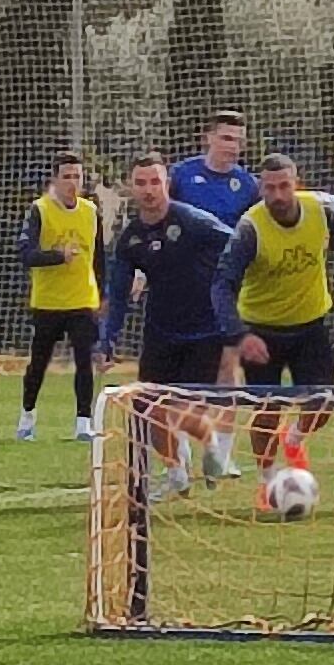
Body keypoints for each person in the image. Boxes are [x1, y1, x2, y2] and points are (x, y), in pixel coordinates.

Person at [104, 157, 244, 500]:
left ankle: (210, 441)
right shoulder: (131, 239)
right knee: (149, 410)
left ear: (167, 183)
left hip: (206, 331)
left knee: (180, 408)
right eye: (141, 183)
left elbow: (238, 243)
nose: (149, 190)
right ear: (131, 188)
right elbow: (119, 293)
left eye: (155, 181)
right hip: (161, 332)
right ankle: (176, 473)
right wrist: (107, 337)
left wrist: (228, 284)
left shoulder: (192, 221)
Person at [222, 152, 334, 473]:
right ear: (260, 189)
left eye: (284, 187)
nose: (277, 195)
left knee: (323, 404)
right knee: (267, 409)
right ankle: (268, 480)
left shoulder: (322, 210)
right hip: (262, 330)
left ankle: (294, 438)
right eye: (269, 188)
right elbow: (222, 285)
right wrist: (240, 335)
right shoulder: (249, 229)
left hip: (309, 325)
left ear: (297, 185)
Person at [164, 112, 265, 476]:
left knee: (227, 366)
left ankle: (222, 454)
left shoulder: (249, 185)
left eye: (239, 140)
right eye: (226, 138)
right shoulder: (181, 176)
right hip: (182, 285)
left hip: (226, 287)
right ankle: (182, 449)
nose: (233, 147)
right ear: (207, 137)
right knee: (181, 371)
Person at [13, 152, 109, 443]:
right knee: (39, 363)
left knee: (84, 361)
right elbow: (25, 254)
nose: (72, 182)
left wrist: (103, 295)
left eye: (77, 176)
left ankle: (83, 422)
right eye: (66, 176)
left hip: (82, 300)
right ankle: (27, 416)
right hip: (48, 302)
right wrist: (58, 256)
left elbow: (100, 258)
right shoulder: (40, 210)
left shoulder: (91, 212)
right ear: (54, 179)